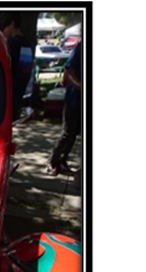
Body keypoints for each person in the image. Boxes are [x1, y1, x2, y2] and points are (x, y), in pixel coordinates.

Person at [47, 40, 83, 175]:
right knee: (67, 133)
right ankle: (52, 161)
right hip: (74, 100)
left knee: (74, 134)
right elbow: (69, 73)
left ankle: (62, 161)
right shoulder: (80, 48)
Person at [0, 13, 33, 121]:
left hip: (7, 94)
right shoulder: (27, 44)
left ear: (12, 24)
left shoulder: (10, 44)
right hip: (21, 92)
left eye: (4, 28)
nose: (3, 32)